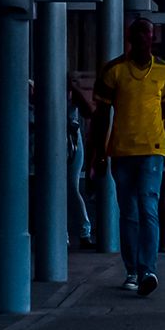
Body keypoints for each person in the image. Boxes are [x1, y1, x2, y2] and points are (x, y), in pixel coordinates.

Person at [91, 18, 165, 297]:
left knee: (147, 207)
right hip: (121, 150)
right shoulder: (113, 71)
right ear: (130, 39)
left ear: (153, 38)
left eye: (147, 36)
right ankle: (132, 270)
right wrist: (98, 154)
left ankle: (147, 269)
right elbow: (101, 115)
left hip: (153, 150)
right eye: (137, 37)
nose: (142, 42)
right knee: (128, 212)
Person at [67, 72, 96, 249]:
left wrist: (74, 89)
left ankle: (84, 230)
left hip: (71, 143)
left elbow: (88, 111)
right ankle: (65, 233)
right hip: (55, 142)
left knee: (71, 187)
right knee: (59, 189)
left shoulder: (71, 95)